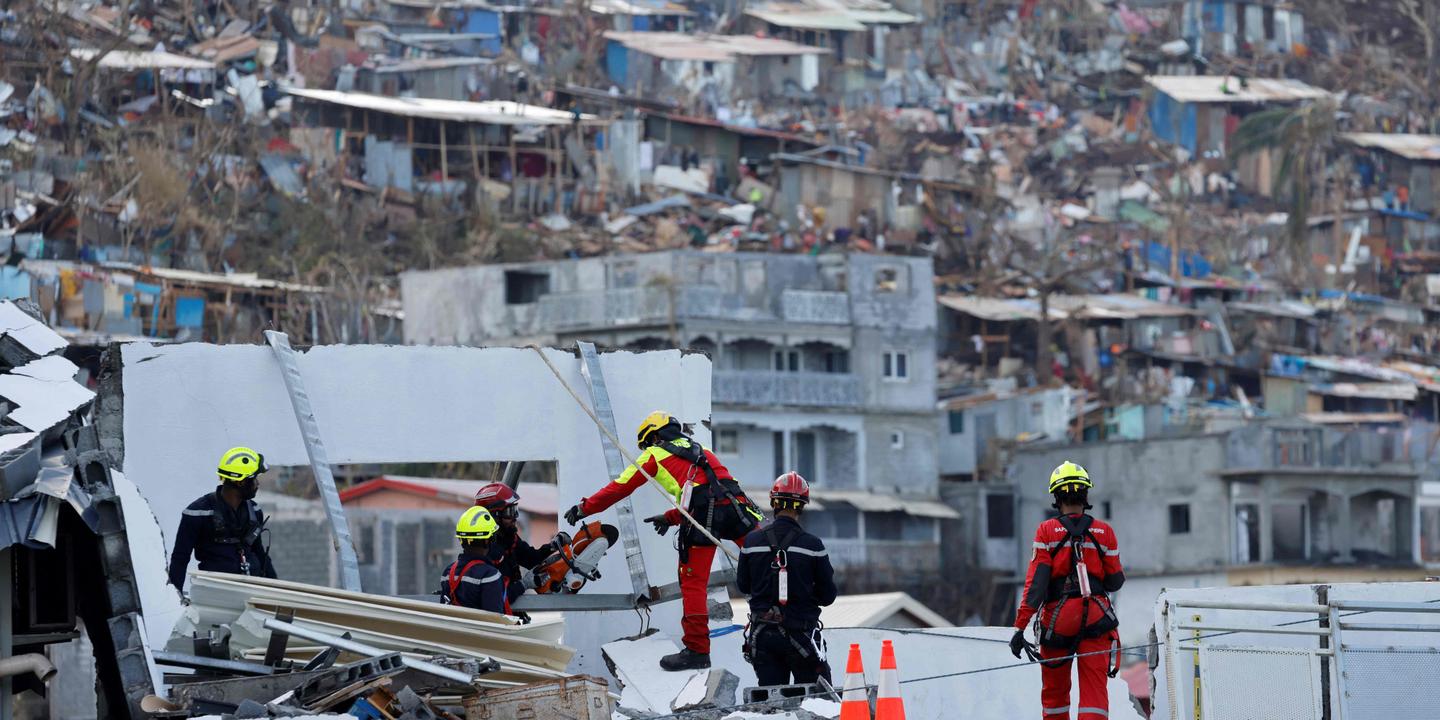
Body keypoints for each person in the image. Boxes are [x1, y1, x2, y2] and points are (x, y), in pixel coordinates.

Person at [563, 411, 763, 671]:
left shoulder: (654, 454)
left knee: (693, 584)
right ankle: (783, 621)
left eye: (646, 444)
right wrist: (671, 517)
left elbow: (620, 487)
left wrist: (584, 508)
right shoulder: (700, 449)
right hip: (738, 510)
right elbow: (711, 491)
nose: (645, 449)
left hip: (704, 517)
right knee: (768, 565)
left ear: (654, 436)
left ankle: (697, 650)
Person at [1009, 461, 1125, 720]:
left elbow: (1036, 586)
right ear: (1085, 494)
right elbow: (1115, 580)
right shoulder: (1105, 532)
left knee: (1055, 694)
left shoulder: (1046, 531)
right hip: (1096, 618)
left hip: (1057, 621)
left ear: (1056, 497)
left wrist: (1020, 627)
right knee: (1094, 695)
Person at [737, 472, 836, 687]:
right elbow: (828, 596)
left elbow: (743, 585)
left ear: (773, 502)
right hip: (800, 635)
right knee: (818, 698)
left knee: (770, 702)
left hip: (762, 636)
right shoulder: (813, 546)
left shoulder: (752, 542)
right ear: (802, 506)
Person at [168, 447, 277, 596]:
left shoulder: (255, 511)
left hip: (252, 592)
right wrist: (175, 597)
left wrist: (277, 591)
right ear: (240, 482)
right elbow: (180, 558)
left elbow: (259, 552)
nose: (257, 484)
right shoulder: (197, 513)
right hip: (216, 595)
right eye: (254, 479)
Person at [474, 482, 570, 618]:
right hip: (496, 619)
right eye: (509, 512)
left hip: (511, 614)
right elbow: (494, 596)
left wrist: (552, 546)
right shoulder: (484, 549)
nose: (515, 517)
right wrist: (523, 585)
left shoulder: (509, 538)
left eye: (515, 510)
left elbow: (531, 559)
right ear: (493, 516)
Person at [438, 506, 508, 615]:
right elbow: (494, 621)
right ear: (488, 541)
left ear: (462, 540)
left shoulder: (448, 572)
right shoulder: (490, 575)